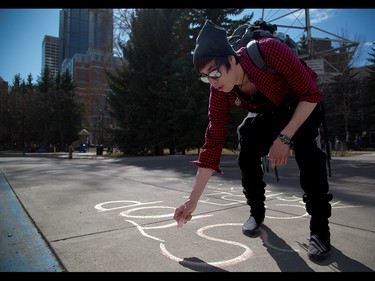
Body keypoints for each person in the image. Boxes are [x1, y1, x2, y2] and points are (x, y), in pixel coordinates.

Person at [174, 19, 333, 262]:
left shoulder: (269, 50)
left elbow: (311, 94)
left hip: (302, 105)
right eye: (205, 78)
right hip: (270, 111)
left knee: (308, 152)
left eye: (215, 73)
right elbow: (213, 142)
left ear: (231, 59)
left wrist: (285, 137)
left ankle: (320, 229)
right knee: (246, 141)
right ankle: (256, 212)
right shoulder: (218, 91)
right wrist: (192, 200)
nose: (213, 82)